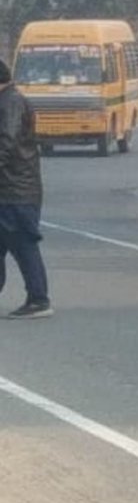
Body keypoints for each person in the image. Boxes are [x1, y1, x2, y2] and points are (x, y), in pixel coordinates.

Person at [0, 59, 52, 319]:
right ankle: (38, 298)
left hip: (15, 191)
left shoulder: (10, 103)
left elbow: (5, 144)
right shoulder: (12, 100)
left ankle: (39, 299)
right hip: (12, 190)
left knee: (23, 245)